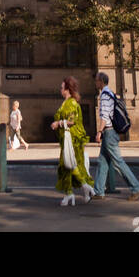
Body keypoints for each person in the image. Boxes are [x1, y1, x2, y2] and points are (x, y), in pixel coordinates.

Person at [91, 71, 139, 201]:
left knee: (118, 162)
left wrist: (99, 132)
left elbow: (105, 115)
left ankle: (136, 188)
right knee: (102, 161)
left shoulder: (104, 95)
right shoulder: (110, 93)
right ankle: (98, 191)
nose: (95, 82)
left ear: (101, 82)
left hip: (108, 132)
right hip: (111, 132)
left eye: (96, 80)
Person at [51, 76, 94, 205]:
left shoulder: (71, 103)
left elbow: (72, 121)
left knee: (70, 164)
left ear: (67, 89)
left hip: (73, 139)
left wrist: (58, 123)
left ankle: (84, 186)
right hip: (67, 139)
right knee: (66, 167)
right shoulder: (66, 102)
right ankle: (70, 193)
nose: (60, 89)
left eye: (62, 87)